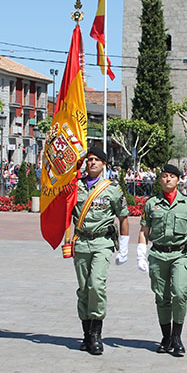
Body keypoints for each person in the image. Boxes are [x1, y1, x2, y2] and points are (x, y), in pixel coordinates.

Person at [136, 164, 187, 357]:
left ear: (178, 180)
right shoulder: (151, 204)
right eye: (164, 176)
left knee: (180, 293)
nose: (168, 179)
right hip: (158, 255)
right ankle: (166, 337)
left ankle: (177, 337)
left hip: (180, 255)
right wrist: (140, 253)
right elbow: (144, 231)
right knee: (162, 297)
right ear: (160, 180)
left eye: (172, 176)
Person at [63, 147, 129, 356]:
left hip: (102, 242)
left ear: (104, 165)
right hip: (81, 241)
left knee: (96, 285)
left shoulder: (112, 189)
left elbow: (123, 217)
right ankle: (86, 334)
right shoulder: (75, 187)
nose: (91, 163)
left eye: (96, 160)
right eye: (89, 160)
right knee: (84, 288)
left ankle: (96, 335)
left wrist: (125, 247)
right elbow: (64, 211)